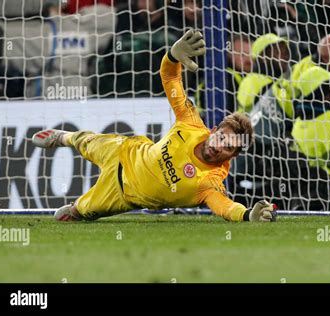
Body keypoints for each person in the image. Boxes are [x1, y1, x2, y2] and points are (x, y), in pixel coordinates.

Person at [32, 29, 276, 223]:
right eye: (221, 137)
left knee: (77, 212)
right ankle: (63, 137)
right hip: (124, 150)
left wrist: (246, 215)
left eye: (229, 147)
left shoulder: (210, 182)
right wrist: (172, 56)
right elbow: (170, 78)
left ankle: (77, 209)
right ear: (214, 131)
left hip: (122, 194)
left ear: (231, 156)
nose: (220, 146)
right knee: (85, 140)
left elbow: (225, 207)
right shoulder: (190, 122)